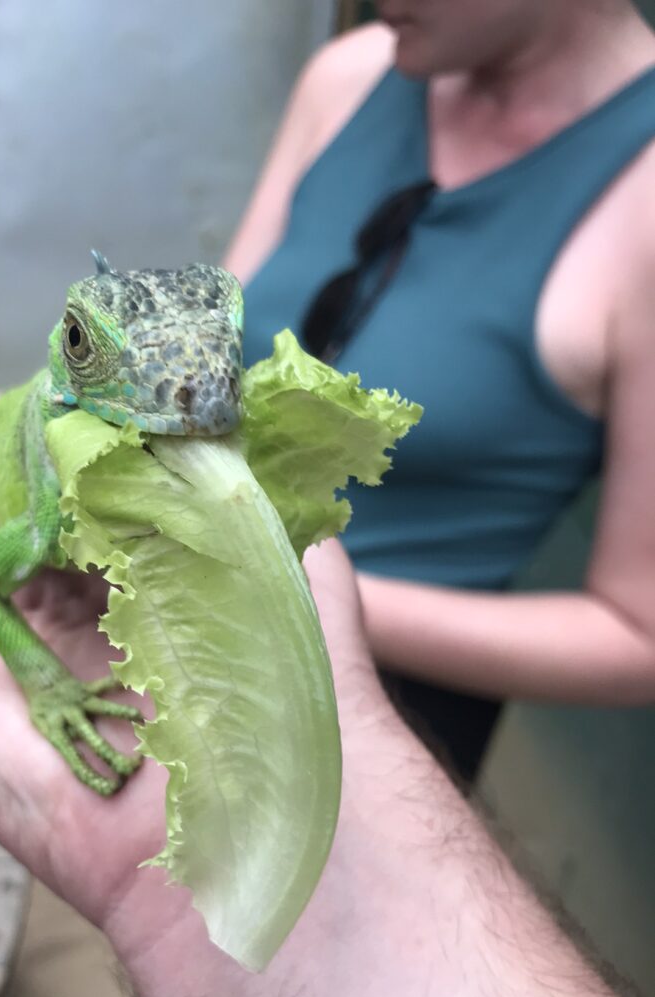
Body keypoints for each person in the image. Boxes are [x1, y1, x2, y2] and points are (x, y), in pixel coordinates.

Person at [0, 294, 639, 997]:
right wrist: (48, 687)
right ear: (70, 362)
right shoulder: (45, 513)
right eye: (89, 353)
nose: (189, 394)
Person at [225, 0, 655, 784]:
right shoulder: (350, 75)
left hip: (385, 737)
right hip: (190, 642)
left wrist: (293, 592)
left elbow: (638, 637)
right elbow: (215, 347)